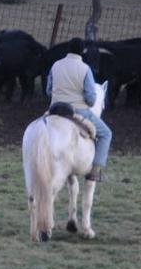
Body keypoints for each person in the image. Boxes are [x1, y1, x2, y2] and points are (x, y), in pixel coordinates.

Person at [46, 39, 112, 181]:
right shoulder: (85, 69)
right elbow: (91, 99)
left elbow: (48, 90)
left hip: (54, 109)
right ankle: (95, 171)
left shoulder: (55, 65)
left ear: (68, 49)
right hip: (78, 111)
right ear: (82, 52)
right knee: (106, 134)